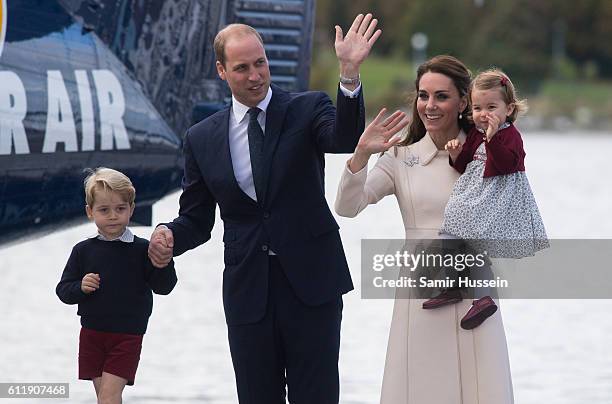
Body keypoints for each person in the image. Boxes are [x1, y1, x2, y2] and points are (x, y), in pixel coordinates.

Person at [147, 14, 381, 403]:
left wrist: (350, 75)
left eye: (261, 63)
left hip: (311, 284)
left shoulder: (308, 108)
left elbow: (343, 138)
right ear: (222, 71)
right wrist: (169, 234)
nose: (255, 75)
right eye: (242, 68)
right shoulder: (201, 138)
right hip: (248, 292)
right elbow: (197, 218)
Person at [335, 55, 514, 403]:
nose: (429, 105)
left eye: (441, 96)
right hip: (422, 295)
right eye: (423, 95)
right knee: (420, 387)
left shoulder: (488, 151)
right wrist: (360, 154)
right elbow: (348, 207)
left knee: (482, 388)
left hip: (475, 291)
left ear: (463, 101)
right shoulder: (400, 158)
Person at [437, 68, 549, 329]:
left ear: (508, 109)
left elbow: (507, 164)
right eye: (477, 108)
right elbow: (464, 164)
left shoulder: (510, 135)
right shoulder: (476, 133)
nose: (483, 114)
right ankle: (454, 284)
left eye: (491, 107)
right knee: (450, 229)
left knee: (477, 244)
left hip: (498, 196)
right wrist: (455, 154)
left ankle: (483, 297)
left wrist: (492, 138)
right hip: (475, 193)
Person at [56, 167, 177, 404]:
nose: (113, 216)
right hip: (91, 334)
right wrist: (80, 286)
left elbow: (164, 287)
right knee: (105, 398)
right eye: (104, 210)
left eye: (120, 209)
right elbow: (63, 290)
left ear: (131, 209)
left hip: (127, 336)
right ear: (90, 212)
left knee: (109, 398)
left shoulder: (143, 249)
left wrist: (164, 261)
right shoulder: (83, 250)